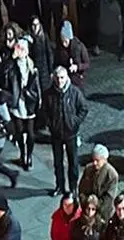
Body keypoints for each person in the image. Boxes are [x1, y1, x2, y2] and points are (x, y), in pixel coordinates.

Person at [42, 66, 87, 197]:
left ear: (66, 77)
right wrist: (50, 124)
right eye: (57, 78)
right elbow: (44, 111)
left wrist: (74, 121)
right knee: (58, 162)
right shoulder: (49, 93)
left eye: (62, 77)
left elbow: (83, 108)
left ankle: (73, 188)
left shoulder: (74, 92)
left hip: (70, 133)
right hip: (56, 134)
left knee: (73, 162)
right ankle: (59, 186)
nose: (59, 80)